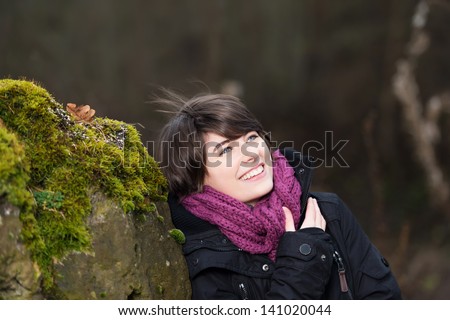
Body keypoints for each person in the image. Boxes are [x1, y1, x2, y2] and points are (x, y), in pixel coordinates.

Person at [156, 90, 402, 299]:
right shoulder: (200, 259)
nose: (251, 154)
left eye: (251, 137)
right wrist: (301, 263)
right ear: (195, 177)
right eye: (225, 151)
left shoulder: (328, 212)